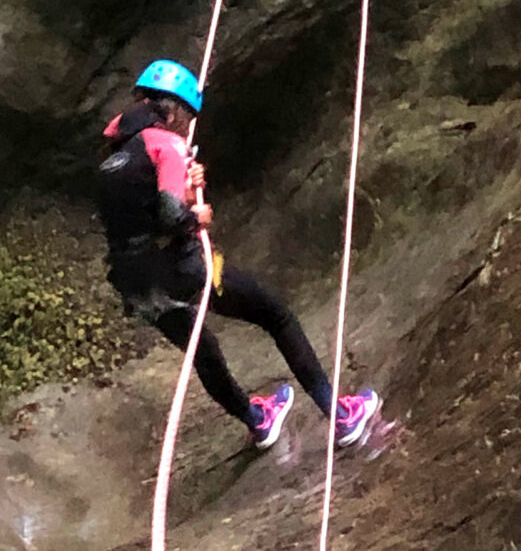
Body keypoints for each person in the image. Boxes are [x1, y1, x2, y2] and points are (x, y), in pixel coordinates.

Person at [96, 59, 380, 449]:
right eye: (188, 117)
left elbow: (137, 214)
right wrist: (195, 215)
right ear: (175, 109)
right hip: (182, 269)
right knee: (275, 315)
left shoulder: (116, 158)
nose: (187, 127)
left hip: (136, 284)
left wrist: (184, 186)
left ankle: (257, 420)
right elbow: (168, 214)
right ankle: (341, 416)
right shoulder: (167, 144)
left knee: (205, 352)